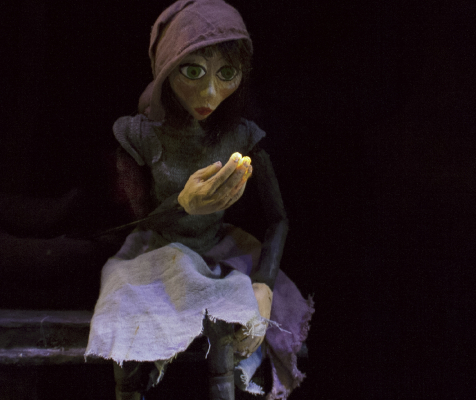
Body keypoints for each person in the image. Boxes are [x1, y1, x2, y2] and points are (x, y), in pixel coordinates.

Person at [84, 1, 314, 399]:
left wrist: (264, 285)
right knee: (125, 328)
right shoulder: (142, 136)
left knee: (228, 333)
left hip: (218, 251)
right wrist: (182, 204)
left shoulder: (241, 136)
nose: (209, 93)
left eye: (226, 73)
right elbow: (128, 221)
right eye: (193, 71)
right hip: (156, 252)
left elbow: (277, 218)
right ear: (166, 69)